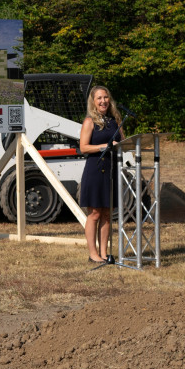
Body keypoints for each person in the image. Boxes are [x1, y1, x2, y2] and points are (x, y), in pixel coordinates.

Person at [79, 86, 124, 263]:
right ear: (93, 101)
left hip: (111, 170)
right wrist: (103, 146)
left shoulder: (115, 121)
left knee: (107, 213)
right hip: (95, 169)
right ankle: (93, 253)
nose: (103, 101)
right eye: (99, 98)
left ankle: (104, 253)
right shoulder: (90, 121)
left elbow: (122, 141)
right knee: (95, 213)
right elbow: (83, 147)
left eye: (105, 97)